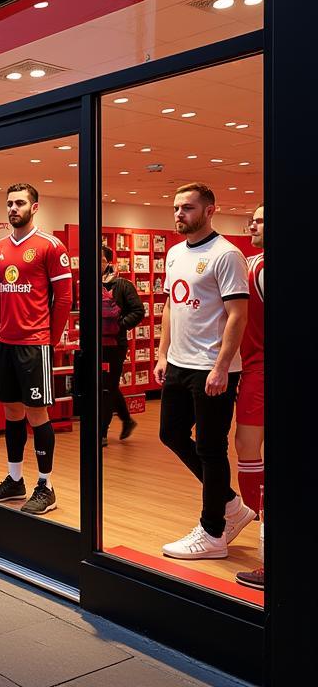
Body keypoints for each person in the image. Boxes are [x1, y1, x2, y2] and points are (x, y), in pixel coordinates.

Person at [155, 183, 254, 560]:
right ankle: (230, 504)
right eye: (177, 207)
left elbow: (238, 315)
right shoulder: (176, 252)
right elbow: (169, 307)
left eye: (188, 208)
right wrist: (163, 355)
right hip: (179, 363)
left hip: (212, 368)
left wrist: (222, 367)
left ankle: (213, 532)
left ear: (210, 210)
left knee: (212, 449)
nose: (180, 214)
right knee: (170, 433)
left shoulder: (227, 255)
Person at [0, 183, 72, 516]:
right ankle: (14, 479)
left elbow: (64, 298)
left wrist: (50, 338)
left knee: (37, 415)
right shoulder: (0, 247)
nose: (13, 208)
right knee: (12, 413)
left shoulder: (50, 246)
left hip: (35, 346)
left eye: (20, 203)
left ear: (34, 207)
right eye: (9, 203)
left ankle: (45, 486)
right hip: (6, 344)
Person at [235, 205, 265, 589]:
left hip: (264, 370)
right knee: (246, 447)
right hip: (252, 369)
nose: (253, 224)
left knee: (248, 447)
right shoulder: (250, 261)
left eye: (261, 219)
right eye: (253, 219)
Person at [100, 245, 146, 444]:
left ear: (108, 262)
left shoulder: (122, 285)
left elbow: (138, 311)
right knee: (105, 385)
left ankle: (101, 432)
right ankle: (126, 420)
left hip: (114, 345)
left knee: (107, 387)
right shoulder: (88, 283)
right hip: (95, 344)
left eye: (99, 259)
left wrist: (119, 325)